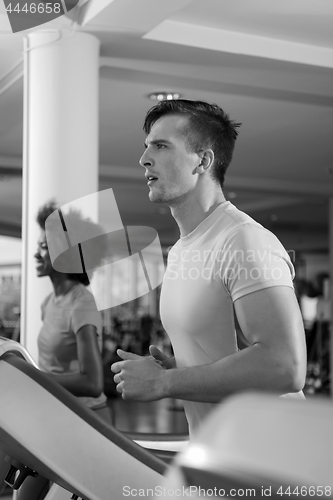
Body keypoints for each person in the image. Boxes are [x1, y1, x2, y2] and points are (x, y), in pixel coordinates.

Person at [111, 99, 307, 437]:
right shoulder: (182, 251)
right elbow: (227, 356)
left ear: (203, 160)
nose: (144, 159)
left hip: (276, 457)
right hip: (221, 452)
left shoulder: (242, 239)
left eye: (161, 146)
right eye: (147, 147)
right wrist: (184, 372)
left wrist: (164, 382)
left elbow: (284, 366)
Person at [16, 201, 111, 500]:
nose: (36, 253)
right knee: (23, 496)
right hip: (56, 418)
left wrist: (35, 377)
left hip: (87, 421)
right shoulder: (50, 304)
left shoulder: (81, 303)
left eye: (44, 246)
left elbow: (92, 381)